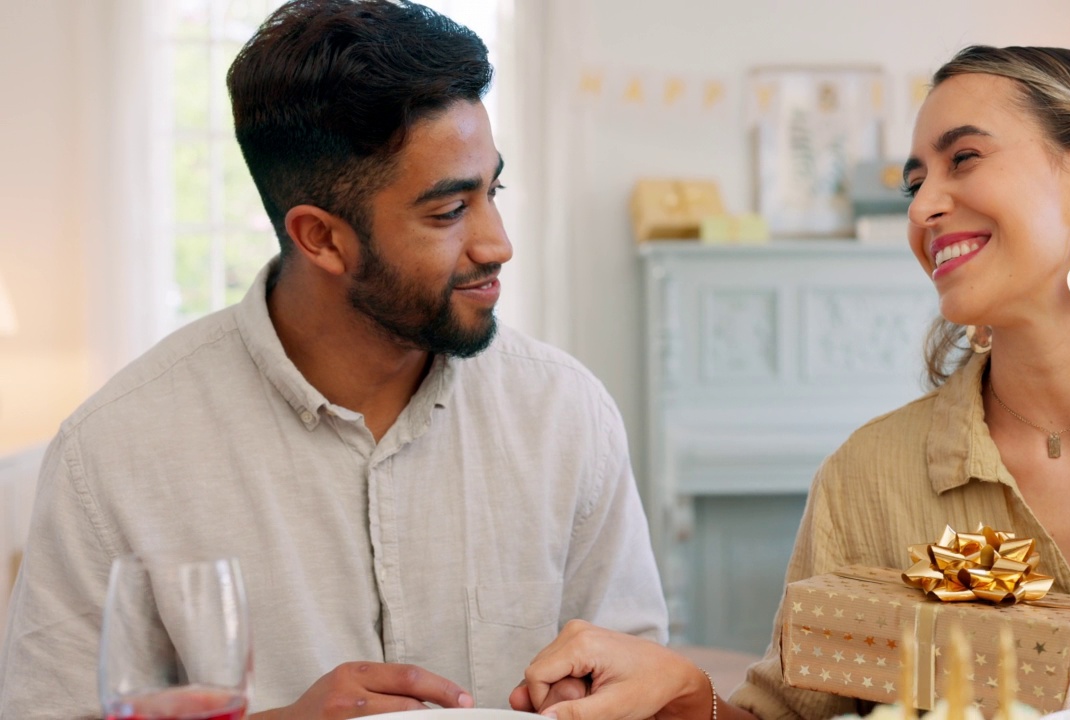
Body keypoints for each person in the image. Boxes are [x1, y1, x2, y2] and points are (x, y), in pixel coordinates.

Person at [512, 45, 1070, 719]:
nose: (925, 206)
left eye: (964, 159)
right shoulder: (865, 477)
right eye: (916, 181)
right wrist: (690, 696)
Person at [0, 1, 667, 717]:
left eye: (492, 191)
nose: (497, 242)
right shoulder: (115, 454)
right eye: (449, 213)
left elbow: (644, 686)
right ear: (320, 238)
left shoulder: (567, 416)